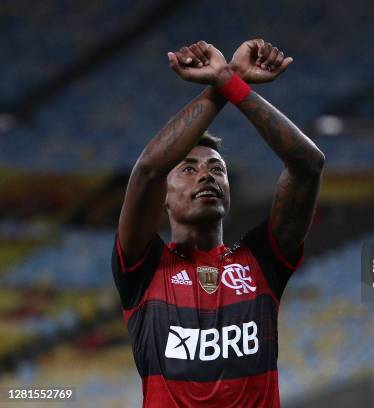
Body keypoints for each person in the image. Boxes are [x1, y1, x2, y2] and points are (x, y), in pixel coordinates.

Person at [111, 38, 325, 407]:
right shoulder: (143, 267)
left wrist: (231, 84)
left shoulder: (261, 262)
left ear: (228, 189)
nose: (206, 176)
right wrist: (224, 83)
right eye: (189, 169)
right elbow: (148, 170)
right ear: (164, 194)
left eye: (216, 169)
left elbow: (309, 166)